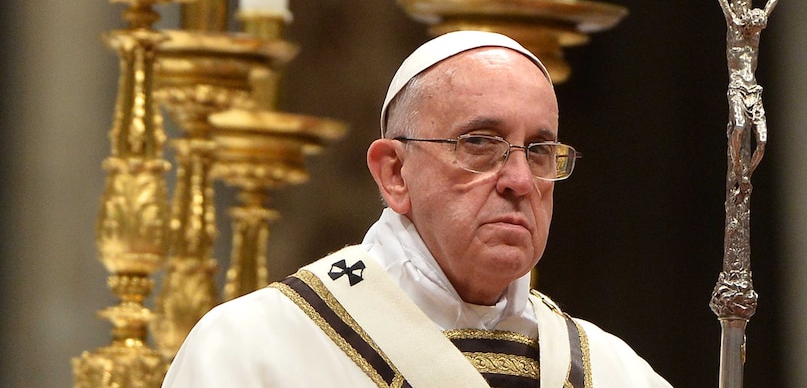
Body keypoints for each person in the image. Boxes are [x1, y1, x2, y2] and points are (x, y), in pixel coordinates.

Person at [162, 30, 672, 387]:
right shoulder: (254, 351)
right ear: (394, 173)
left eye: (539, 152)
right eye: (480, 143)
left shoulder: (611, 371)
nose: (520, 181)